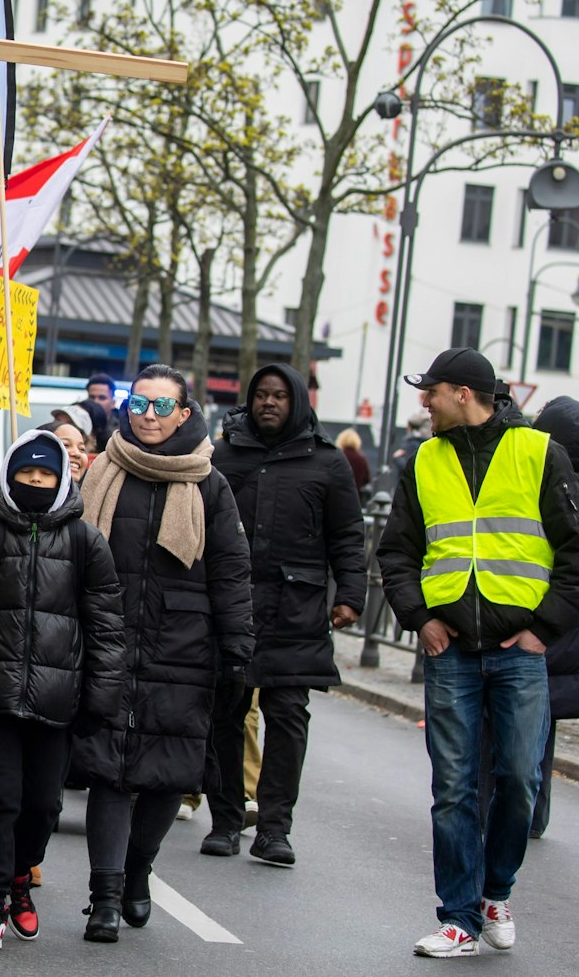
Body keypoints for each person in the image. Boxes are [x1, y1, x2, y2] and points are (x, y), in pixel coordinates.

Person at [374, 348, 579, 958]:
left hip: (520, 652)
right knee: (453, 789)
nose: (424, 402)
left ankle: (496, 890)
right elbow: (396, 551)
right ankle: (460, 918)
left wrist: (543, 630)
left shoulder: (538, 453)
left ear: (466, 394)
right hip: (451, 653)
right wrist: (419, 618)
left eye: (432, 392)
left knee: (520, 782)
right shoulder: (423, 461)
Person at [70, 364, 253, 944]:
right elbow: (70, 551)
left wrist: (239, 645)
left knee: (167, 775)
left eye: (160, 407)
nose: (147, 416)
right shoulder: (100, 472)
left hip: (184, 647)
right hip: (108, 638)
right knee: (108, 771)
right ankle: (102, 898)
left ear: (184, 414)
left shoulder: (208, 483)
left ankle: (138, 872)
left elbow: (230, 570)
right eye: (137, 404)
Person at [0, 428, 124, 954]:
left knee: (43, 806)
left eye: (45, 474)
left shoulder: (88, 543)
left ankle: (22, 876)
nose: (36, 482)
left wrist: (99, 701)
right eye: (26, 473)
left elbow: (107, 629)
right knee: (0, 802)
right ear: (11, 476)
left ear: (62, 478)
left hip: (58, 703)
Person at [205, 364, 365, 865]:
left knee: (288, 716)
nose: (268, 403)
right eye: (260, 395)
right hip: (231, 607)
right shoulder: (223, 456)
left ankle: (274, 828)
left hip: (296, 610)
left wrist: (351, 596)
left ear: (296, 402)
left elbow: (348, 536)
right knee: (224, 715)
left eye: (279, 396)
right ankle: (227, 821)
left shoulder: (327, 463)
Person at [521, 397, 579, 840]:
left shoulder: (547, 481)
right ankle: (536, 813)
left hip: (537, 617)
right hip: (570, 626)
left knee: (511, 720)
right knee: (545, 725)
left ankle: (509, 810)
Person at [336, 428, 373, 495]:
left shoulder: (338, 456)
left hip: (338, 495)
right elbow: (367, 480)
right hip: (355, 497)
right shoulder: (361, 459)